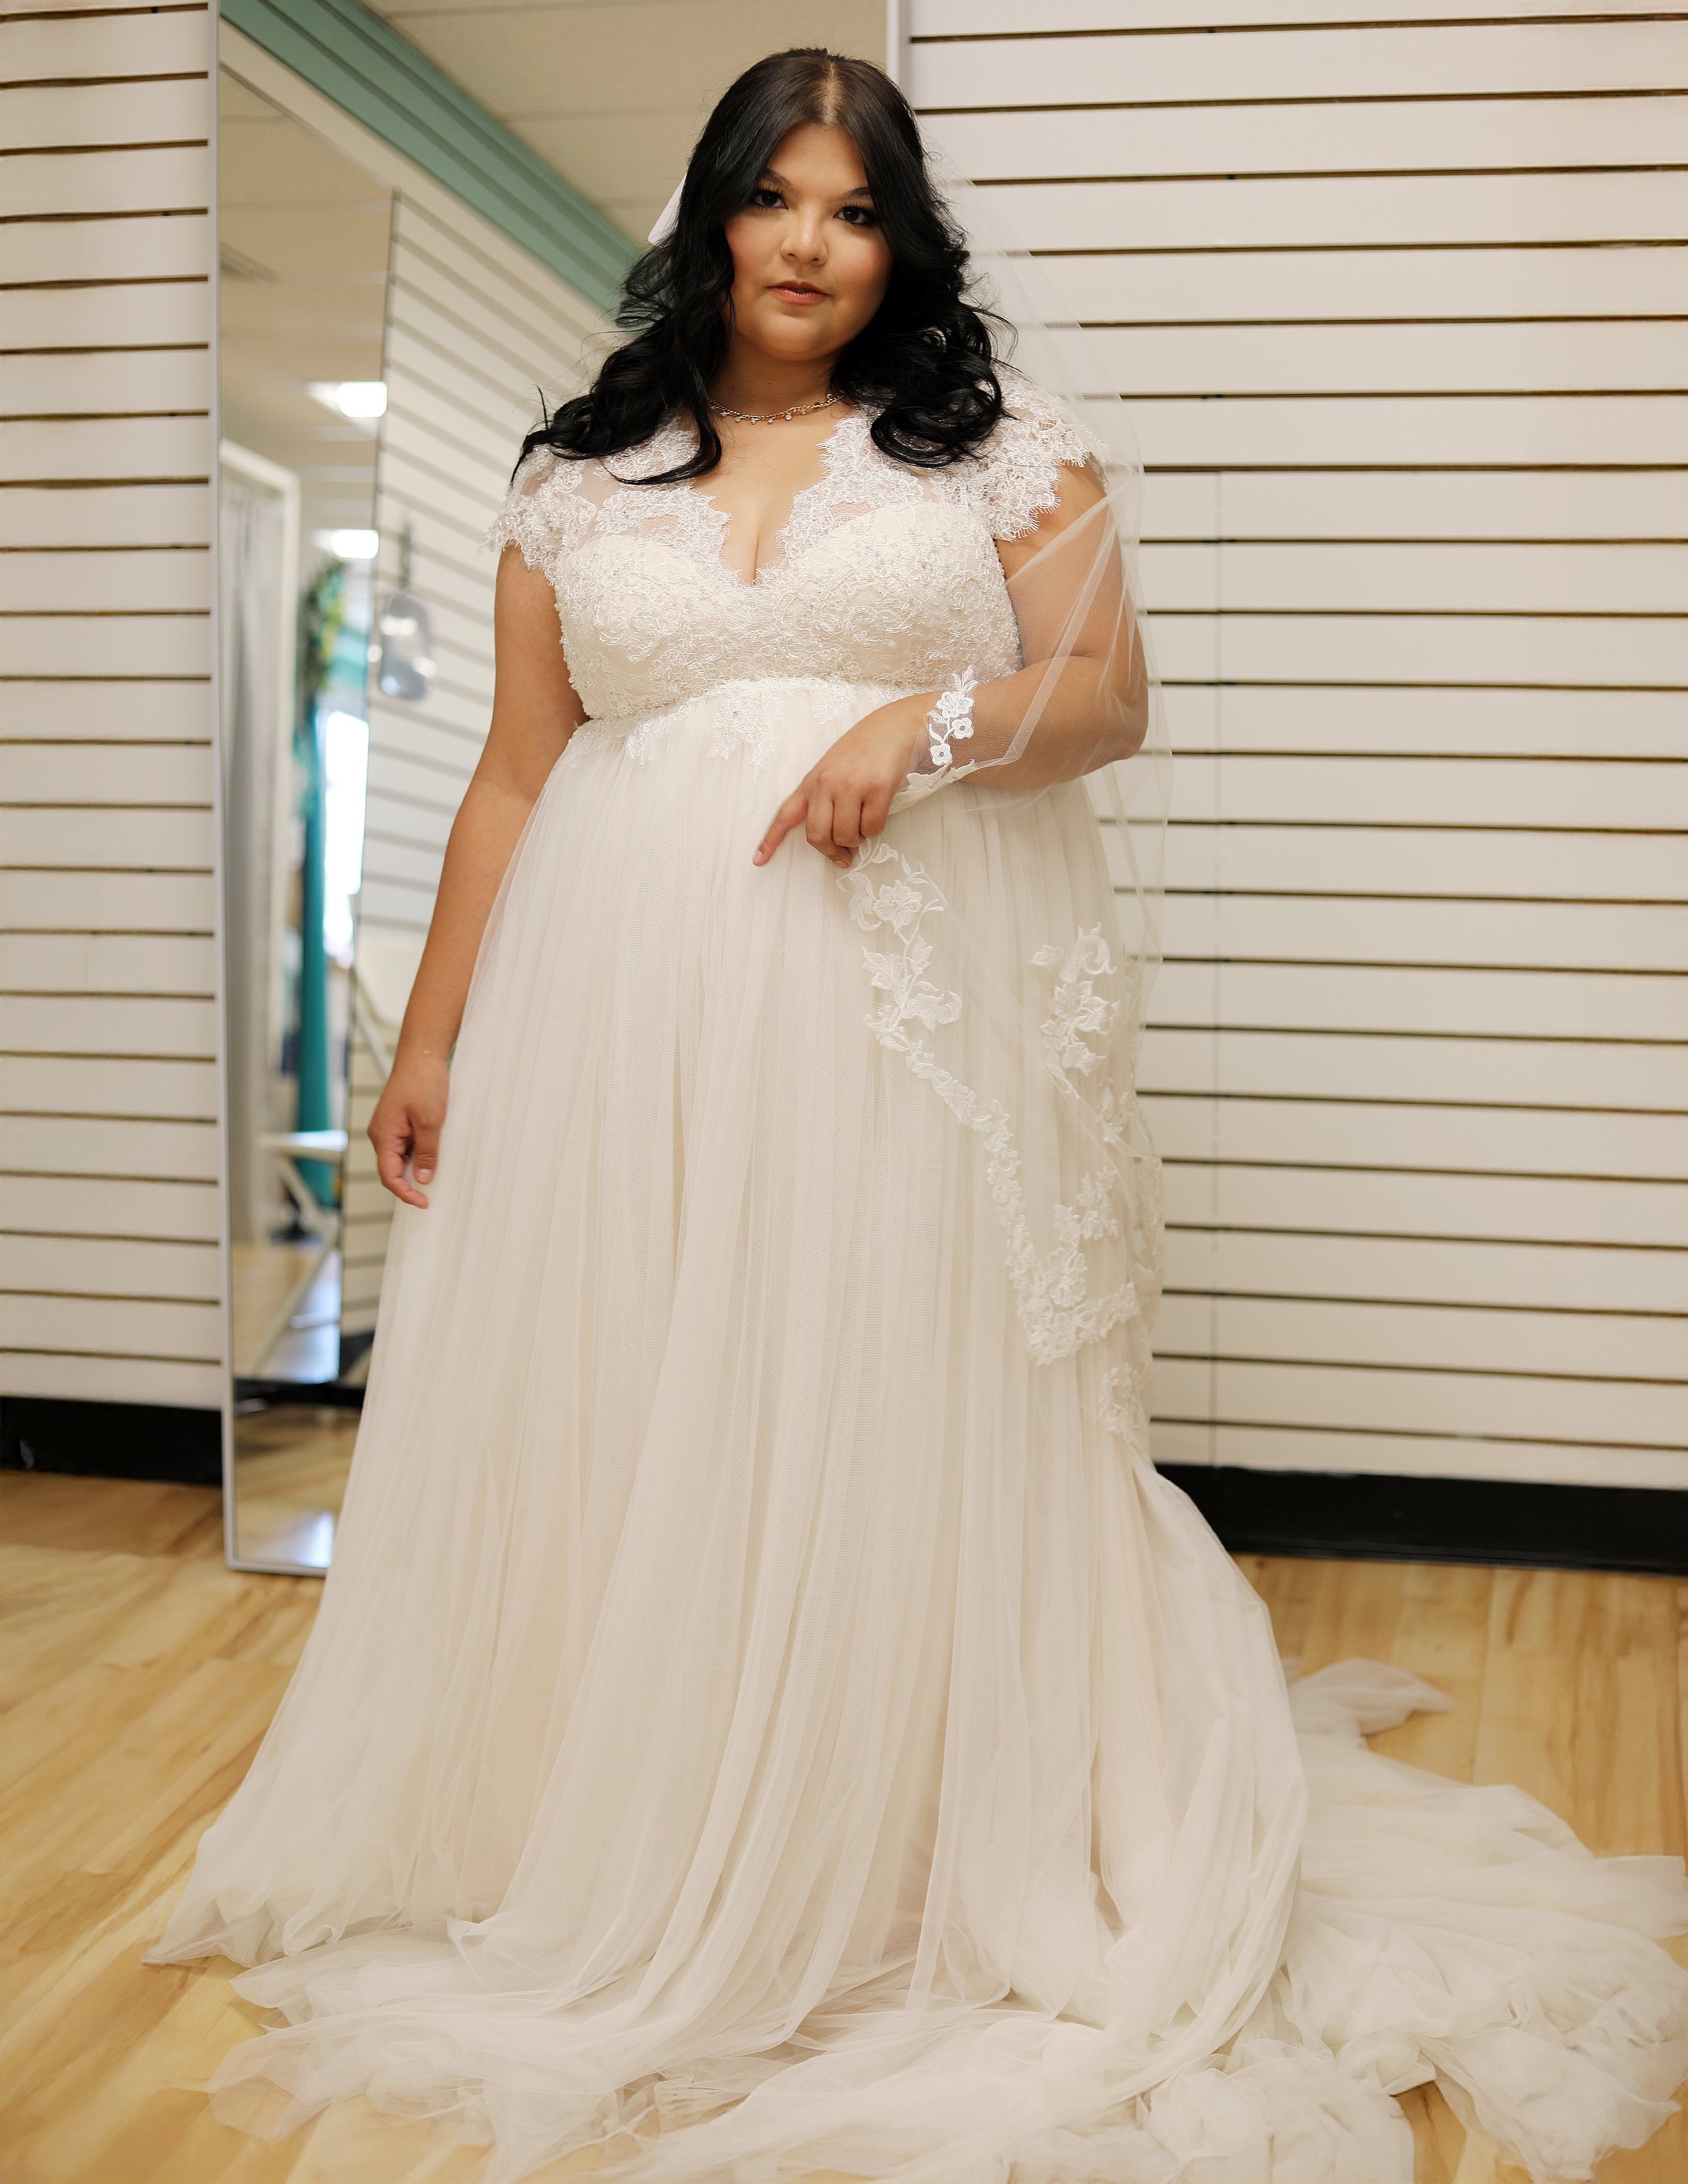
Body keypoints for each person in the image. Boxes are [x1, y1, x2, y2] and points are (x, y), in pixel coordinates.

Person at [150, 49, 1688, 2184]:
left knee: (868, 1385)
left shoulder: (990, 452)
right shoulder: (576, 476)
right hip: (619, 1017)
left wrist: (925, 716)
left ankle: (884, 1844)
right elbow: (513, 772)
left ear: (902, 242)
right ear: (709, 213)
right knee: (641, 1391)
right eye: (774, 199)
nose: (807, 243)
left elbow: (1107, 689)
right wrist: (430, 1040)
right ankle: (644, 1822)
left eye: (854, 209)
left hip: (886, 1016)